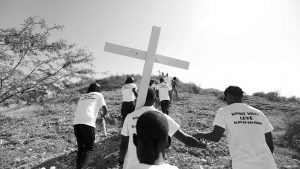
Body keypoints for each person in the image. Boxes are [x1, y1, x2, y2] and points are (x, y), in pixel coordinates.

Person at [119, 88, 206, 169]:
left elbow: (123, 143)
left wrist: (121, 161)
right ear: (156, 100)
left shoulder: (129, 117)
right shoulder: (163, 118)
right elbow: (186, 139)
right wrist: (203, 145)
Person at [193, 86, 277, 169]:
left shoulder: (224, 111)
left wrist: (200, 135)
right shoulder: (259, 113)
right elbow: (270, 145)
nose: (226, 102)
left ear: (228, 95)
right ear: (241, 97)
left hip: (243, 164)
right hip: (268, 164)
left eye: (226, 99)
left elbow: (215, 137)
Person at [73, 83, 108, 169]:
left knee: (81, 148)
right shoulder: (99, 95)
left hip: (76, 122)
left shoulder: (82, 96)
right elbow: (105, 110)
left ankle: (79, 167)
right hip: (88, 122)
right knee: (89, 148)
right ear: (98, 89)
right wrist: (103, 116)